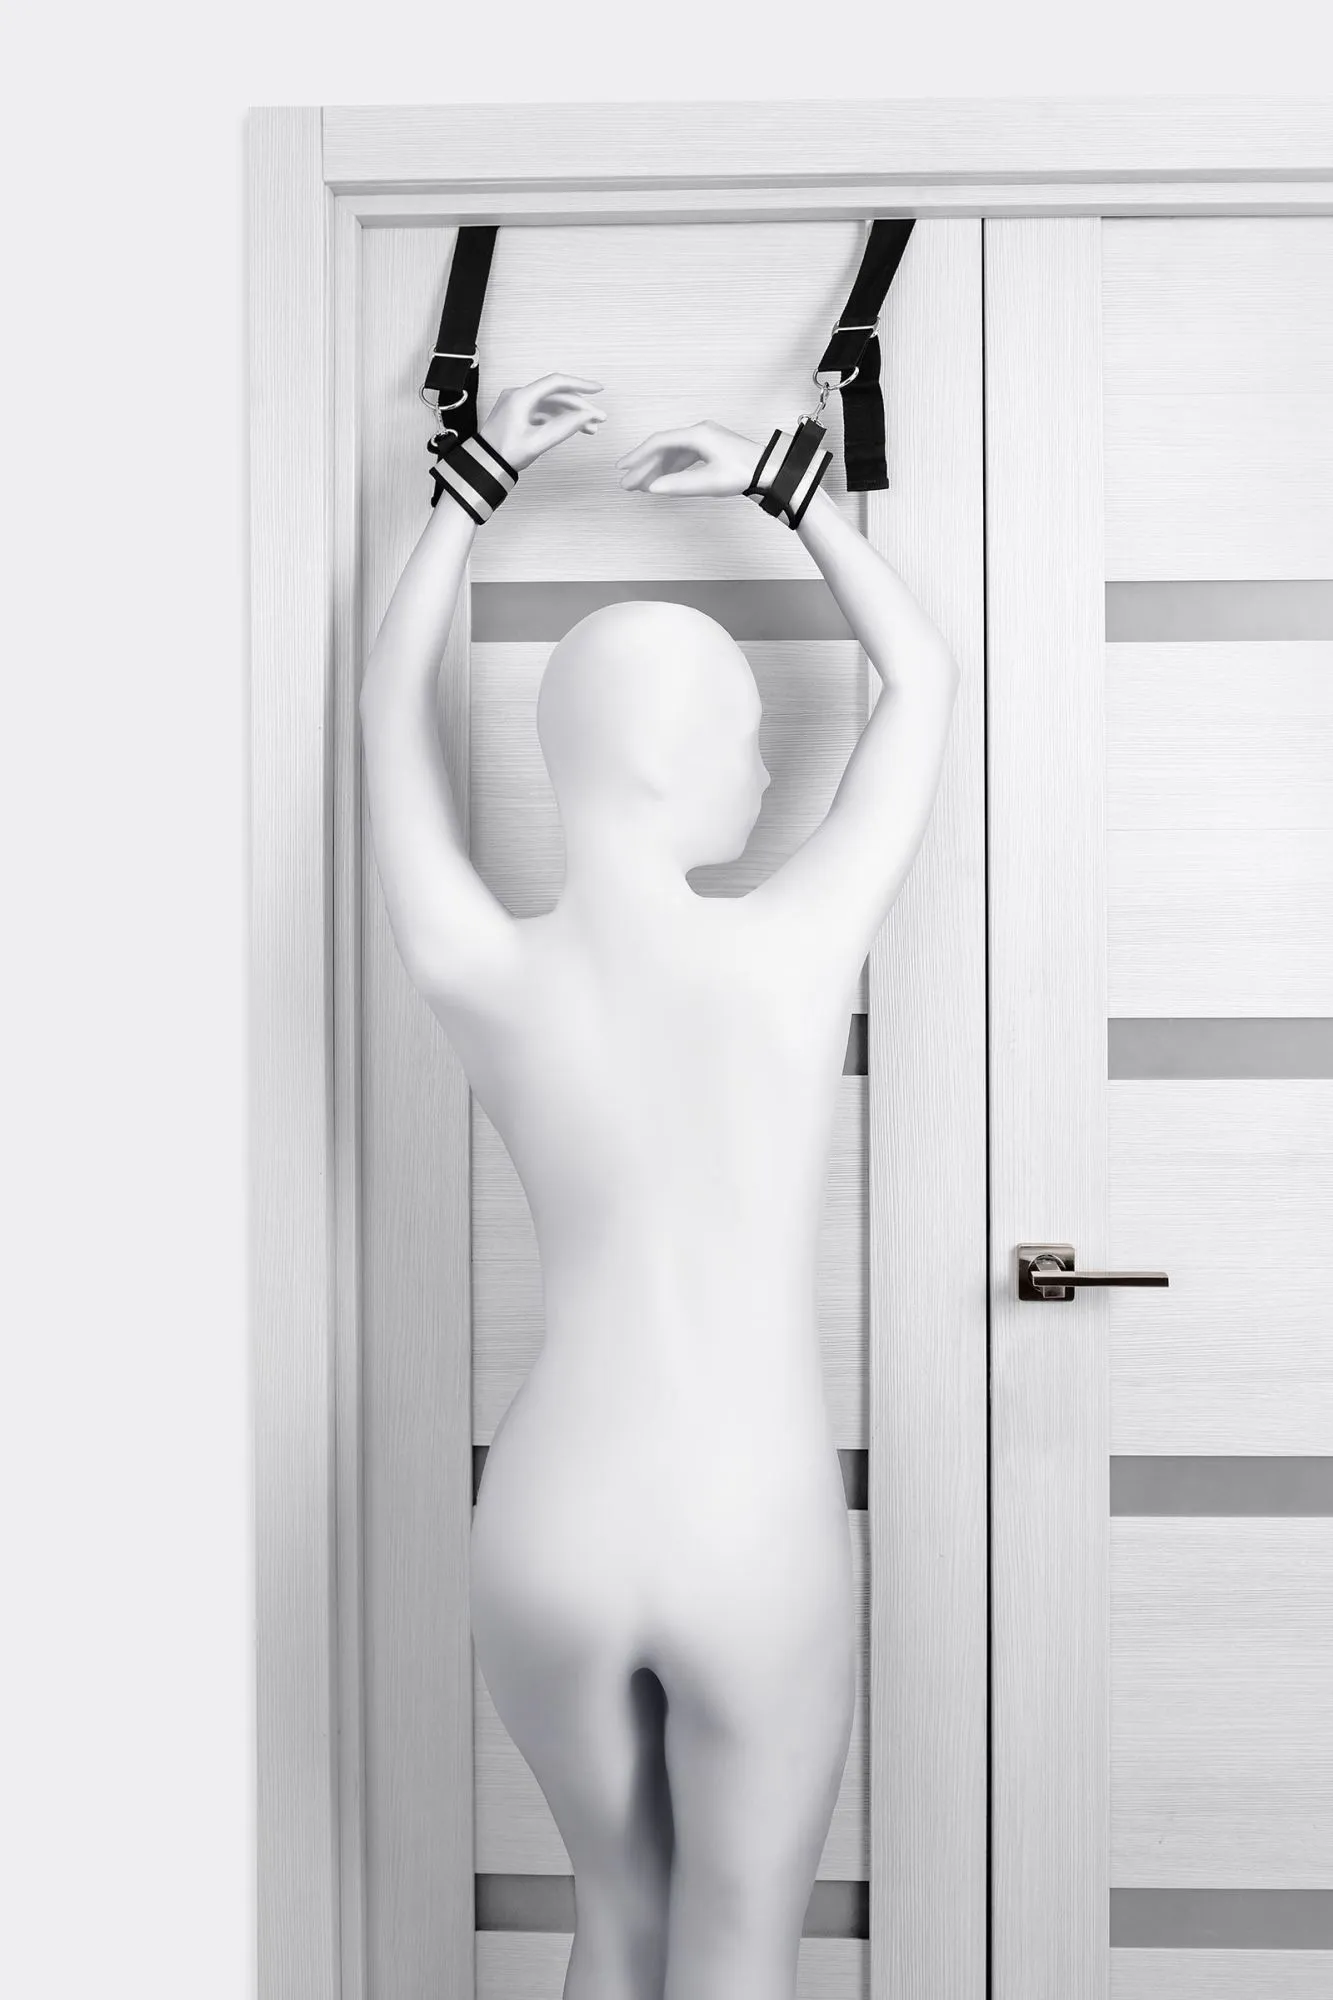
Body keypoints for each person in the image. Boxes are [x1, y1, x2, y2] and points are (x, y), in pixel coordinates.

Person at [358, 371, 958, 2000]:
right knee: (736, 1944)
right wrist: (795, 492)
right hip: (744, 1515)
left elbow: (386, 715)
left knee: (613, 1924)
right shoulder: (790, 954)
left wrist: (467, 493)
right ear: (676, 765)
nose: (766, 775)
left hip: (548, 1517)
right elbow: (923, 684)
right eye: (749, 743)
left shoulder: (487, 971)